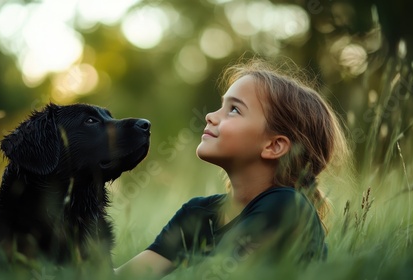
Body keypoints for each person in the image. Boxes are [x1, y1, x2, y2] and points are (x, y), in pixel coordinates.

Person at [115, 57, 351, 278]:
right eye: (221, 105)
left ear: (274, 146)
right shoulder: (197, 214)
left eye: (234, 110)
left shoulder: (287, 207)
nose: (209, 116)